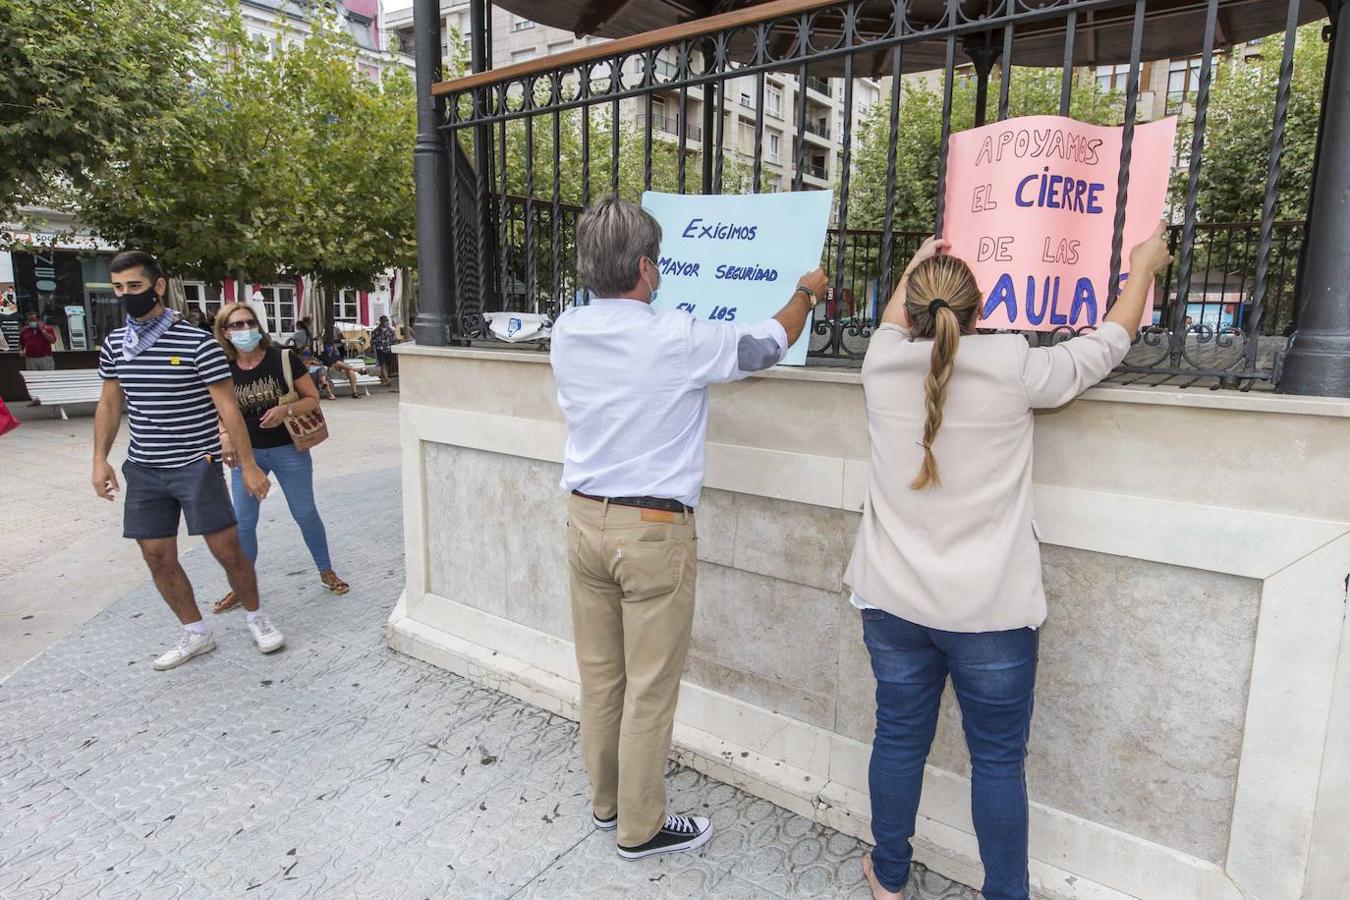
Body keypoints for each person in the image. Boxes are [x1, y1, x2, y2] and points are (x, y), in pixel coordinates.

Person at [847, 224, 1173, 900]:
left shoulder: (878, 364)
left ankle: (888, 877)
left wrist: (914, 263)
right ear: (983, 310)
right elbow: (1107, 343)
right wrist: (1142, 267)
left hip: (893, 606)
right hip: (990, 616)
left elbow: (889, 321)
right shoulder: (1016, 366)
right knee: (998, 762)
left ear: (909, 310)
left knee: (899, 740)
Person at [550, 196, 829, 861]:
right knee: (649, 687)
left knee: (600, 677)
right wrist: (804, 294)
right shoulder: (673, 335)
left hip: (585, 519)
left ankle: (607, 800)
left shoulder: (567, 329)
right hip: (651, 532)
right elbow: (766, 343)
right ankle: (640, 829)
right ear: (645, 268)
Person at [91, 251, 286, 670]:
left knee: (228, 550)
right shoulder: (114, 345)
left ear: (158, 287)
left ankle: (256, 616)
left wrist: (248, 465)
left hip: (196, 465)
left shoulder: (197, 342)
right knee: (156, 555)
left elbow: (229, 408)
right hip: (143, 468)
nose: (126, 296)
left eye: (135, 287)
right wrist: (99, 459)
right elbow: (109, 404)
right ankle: (195, 631)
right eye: (119, 288)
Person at [213, 302, 349, 611]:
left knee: (304, 513)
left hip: (288, 450)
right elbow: (219, 410)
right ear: (224, 332)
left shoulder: (283, 359)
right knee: (244, 523)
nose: (245, 329)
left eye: (249, 322)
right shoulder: (223, 367)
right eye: (236, 325)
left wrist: (285, 409)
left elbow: (313, 400)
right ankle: (241, 585)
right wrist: (224, 437)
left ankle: (326, 571)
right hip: (247, 456)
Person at [319, 334, 362, 399]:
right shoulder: (321, 357)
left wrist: (344, 368)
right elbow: (323, 367)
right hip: (330, 373)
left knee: (350, 371)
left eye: (330, 346)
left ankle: (354, 393)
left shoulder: (337, 356)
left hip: (340, 373)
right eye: (327, 346)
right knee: (338, 363)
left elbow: (344, 365)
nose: (329, 348)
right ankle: (358, 370)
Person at [371, 315, 397, 386]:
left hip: (388, 349)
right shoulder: (376, 331)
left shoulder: (391, 330)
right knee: (383, 365)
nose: (385, 322)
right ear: (381, 322)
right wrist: (374, 346)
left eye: (386, 321)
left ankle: (383, 378)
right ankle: (387, 379)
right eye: (383, 321)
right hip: (380, 350)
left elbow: (394, 340)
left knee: (387, 365)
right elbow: (372, 340)